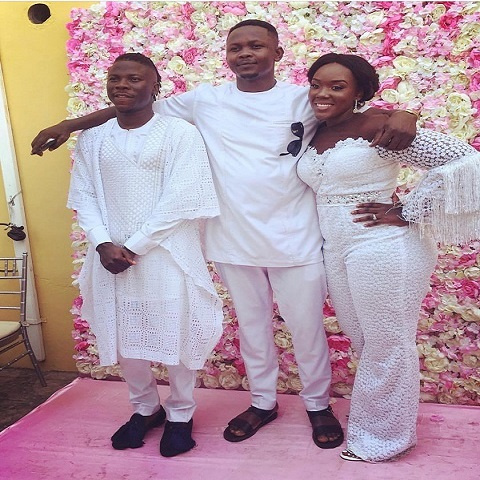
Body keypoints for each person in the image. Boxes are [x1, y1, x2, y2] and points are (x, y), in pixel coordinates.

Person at [32, 20, 417, 449]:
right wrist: (70, 124)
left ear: (278, 53)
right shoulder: (205, 101)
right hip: (232, 239)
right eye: (237, 47)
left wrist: (406, 113)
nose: (246, 53)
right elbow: (133, 106)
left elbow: (363, 115)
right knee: (253, 329)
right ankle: (262, 402)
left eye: (257, 45)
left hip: (298, 237)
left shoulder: (303, 99)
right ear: (227, 55)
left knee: (306, 328)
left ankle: (317, 405)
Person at [297, 52, 480, 462]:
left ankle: (382, 439)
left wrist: (408, 210)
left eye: (337, 86)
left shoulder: (379, 126)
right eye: (316, 84)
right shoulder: (314, 130)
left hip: (382, 247)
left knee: (387, 342)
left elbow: (467, 160)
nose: (323, 93)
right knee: (364, 340)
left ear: (360, 92)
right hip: (336, 247)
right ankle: (381, 423)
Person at [67, 52, 223, 457]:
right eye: (115, 77)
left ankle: (181, 414)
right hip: (109, 256)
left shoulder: (179, 134)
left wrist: (133, 246)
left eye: (134, 78)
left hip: (165, 252)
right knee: (125, 337)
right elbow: (83, 194)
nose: (122, 84)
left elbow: (181, 198)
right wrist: (103, 243)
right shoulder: (94, 137)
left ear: (155, 86)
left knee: (174, 330)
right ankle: (145, 408)